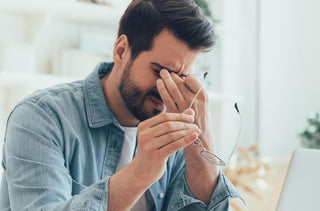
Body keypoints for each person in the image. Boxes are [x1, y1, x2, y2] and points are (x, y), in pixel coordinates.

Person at [0, 0, 242, 210]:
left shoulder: (178, 129)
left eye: (182, 78)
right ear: (121, 50)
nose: (167, 89)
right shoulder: (40, 118)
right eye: (160, 71)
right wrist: (141, 171)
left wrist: (203, 137)